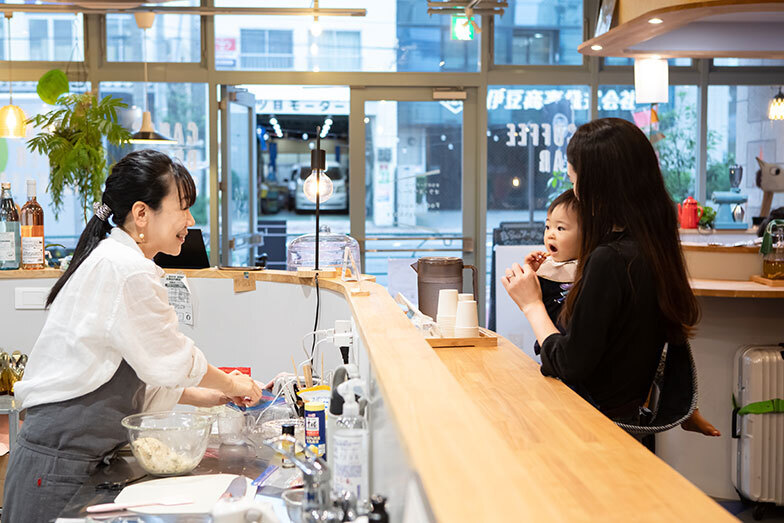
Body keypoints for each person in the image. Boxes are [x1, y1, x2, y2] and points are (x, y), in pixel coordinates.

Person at [3, 150, 264, 522]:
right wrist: (233, 384)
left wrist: (207, 396)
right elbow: (173, 358)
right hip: (57, 466)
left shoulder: (118, 260)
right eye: (182, 208)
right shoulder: (126, 270)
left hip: (65, 461)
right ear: (142, 214)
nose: (190, 219)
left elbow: (140, 367)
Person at [502, 117, 712, 432]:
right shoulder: (652, 247)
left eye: (575, 180)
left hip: (595, 427)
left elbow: (569, 364)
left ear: (597, 187)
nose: (575, 190)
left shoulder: (610, 260)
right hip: (625, 421)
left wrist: (531, 304)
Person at [528, 187, 720, 437]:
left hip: (594, 399)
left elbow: (575, 355)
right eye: (547, 227)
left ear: (590, 233)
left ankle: (686, 409)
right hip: (572, 370)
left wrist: (530, 303)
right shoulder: (559, 267)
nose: (550, 234)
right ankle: (686, 410)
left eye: (561, 228)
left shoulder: (605, 266)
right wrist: (535, 279)